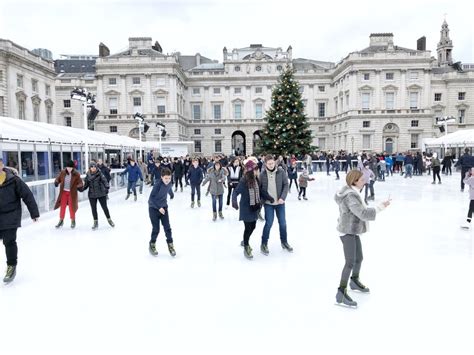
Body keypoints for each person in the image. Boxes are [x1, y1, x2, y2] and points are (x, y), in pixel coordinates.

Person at [334, 170, 391, 307]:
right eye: (361, 180)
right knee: (350, 262)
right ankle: (341, 293)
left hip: (353, 230)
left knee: (359, 258)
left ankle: (354, 281)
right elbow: (363, 214)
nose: (364, 181)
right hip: (347, 231)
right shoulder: (350, 196)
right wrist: (381, 207)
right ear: (354, 181)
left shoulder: (353, 191)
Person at [0, 158, 39, 283]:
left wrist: (34, 213)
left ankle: (11, 266)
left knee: (9, 241)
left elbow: (27, 195)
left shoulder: (14, 180)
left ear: (2, 165)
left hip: (11, 214)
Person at [232, 160, 273, 259]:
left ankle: (245, 240)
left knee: (253, 226)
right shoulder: (244, 181)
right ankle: (246, 246)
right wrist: (234, 201)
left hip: (254, 207)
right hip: (246, 208)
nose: (257, 171)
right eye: (256, 169)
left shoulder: (256, 180)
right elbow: (236, 192)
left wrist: (269, 197)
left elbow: (261, 191)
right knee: (247, 228)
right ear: (251, 171)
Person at [259, 154, 292, 255]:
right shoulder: (262, 174)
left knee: (283, 223)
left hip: (280, 203)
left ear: (275, 162)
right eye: (269, 164)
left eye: (272, 163)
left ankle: (284, 242)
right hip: (268, 204)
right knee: (269, 223)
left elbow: (286, 185)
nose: (271, 165)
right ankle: (264, 243)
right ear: (265, 164)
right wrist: (261, 203)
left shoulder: (281, 172)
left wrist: (282, 197)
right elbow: (260, 189)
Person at [148, 168, 175, 257]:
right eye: (165, 178)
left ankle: (171, 246)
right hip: (153, 208)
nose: (167, 180)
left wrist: (171, 194)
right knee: (156, 229)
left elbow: (169, 188)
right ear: (162, 177)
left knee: (167, 228)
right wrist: (158, 207)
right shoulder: (157, 185)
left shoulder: (169, 183)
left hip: (164, 208)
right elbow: (151, 199)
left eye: (169, 178)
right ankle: (152, 244)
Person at [80, 162, 115, 230]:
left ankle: (109, 219)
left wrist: (107, 186)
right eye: (92, 167)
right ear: (90, 168)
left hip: (101, 193)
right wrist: (81, 189)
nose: (93, 168)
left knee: (104, 207)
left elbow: (104, 180)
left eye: (94, 167)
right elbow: (86, 185)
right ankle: (95, 222)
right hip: (92, 195)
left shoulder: (100, 174)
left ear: (96, 167)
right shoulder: (88, 175)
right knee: (93, 209)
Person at [54, 160, 83, 229]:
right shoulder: (63, 172)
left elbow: (80, 182)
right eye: (68, 167)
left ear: (73, 167)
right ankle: (61, 220)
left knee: (71, 207)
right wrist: (56, 182)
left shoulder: (76, 174)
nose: (69, 169)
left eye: (70, 168)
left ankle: (73, 221)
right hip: (63, 192)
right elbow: (58, 178)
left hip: (71, 193)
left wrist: (79, 186)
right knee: (62, 207)